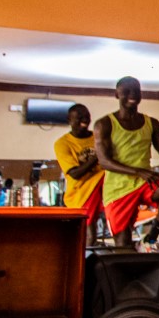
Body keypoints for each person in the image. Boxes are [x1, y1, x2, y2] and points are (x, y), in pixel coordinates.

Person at [93, 77, 159, 249]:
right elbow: (104, 161)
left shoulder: (152, 123)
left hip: (144, 181)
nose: (132, 95)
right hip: (118, 189)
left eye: (136, 91)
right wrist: (138, 171)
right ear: (117, 94)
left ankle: (152, 236)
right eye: (127, 91)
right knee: (123, 245)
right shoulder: (104, 124)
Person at [54, 103, 104, 246]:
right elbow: (75, 174)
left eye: (87, 116)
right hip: (81, 192)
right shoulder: (62, 143)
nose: (85, 120)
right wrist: (97, 157)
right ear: (69, 120)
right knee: (88, 235)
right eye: (80, 117)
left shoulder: (99, 138)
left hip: (103, 185)